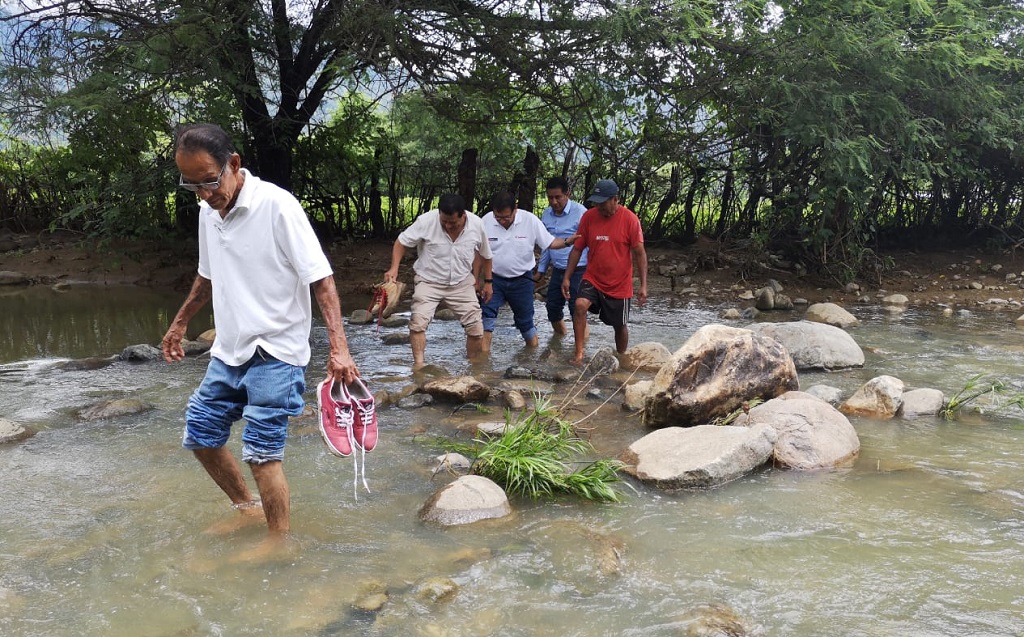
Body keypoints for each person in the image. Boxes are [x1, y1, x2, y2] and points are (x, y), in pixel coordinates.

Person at [161, 123, 359, 540]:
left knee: (262, 453)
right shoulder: (208, 211)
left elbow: (320, 278)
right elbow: (206, 275)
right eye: (192, 185)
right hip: (229, 351)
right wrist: (180, 323)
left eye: (210, 181)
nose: (204, 193)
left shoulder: (277, 207)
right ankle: (246, 507)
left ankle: (278, 541)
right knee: (199, 434)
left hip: (277, 351)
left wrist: (339, 348)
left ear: (234, 164)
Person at [384, 194, 493, 368]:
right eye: (444, 222)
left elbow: (486, 255)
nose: (448, 226)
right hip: (429, 280)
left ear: (463, 215)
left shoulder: (477, 224)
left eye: (453, 222)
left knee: (476, 329)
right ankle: (419, 366)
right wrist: (394, 268)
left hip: (462, 281)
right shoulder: (426, 221)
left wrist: (488, 282)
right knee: (418, 323)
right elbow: (401, 242)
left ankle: (473, 365)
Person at [562, 179, 648, 364]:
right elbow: (577, 249)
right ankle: (579, 354)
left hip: (620, 283)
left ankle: (621, 357)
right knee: (579, 306)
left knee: (619, 325)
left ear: (615, 199)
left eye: (603, 203)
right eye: (596, 203)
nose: (599, 207)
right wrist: (567, 277)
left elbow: (640, 253)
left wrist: (643, 286)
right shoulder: (589, 217)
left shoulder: (630, 219)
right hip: (593, 277)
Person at [480, 191, 576, 351]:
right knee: (486, 319)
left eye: (506, 217)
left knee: (525, 323)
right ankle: (482, 364)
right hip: (494, 279)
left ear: (515, 209)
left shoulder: (530, 220)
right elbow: (479, 252)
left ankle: (532, 359)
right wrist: (480, 280)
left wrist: (567, 242)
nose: (502, 221)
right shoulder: (486, 221)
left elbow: (550, 242)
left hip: (522, 280)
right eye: (498, 217)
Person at [535, 177, 589, 336]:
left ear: (567, 194)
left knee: (576, 309)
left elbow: (591, 243)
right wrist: (541, 270)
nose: (554, 201)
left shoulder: (581, 213)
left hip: (579, 269)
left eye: (558, 197)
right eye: (550, 197)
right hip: (558, 270)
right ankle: (560, 340)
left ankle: (581, 346)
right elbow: (546, 244)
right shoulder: (546, 215)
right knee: (552, 308)